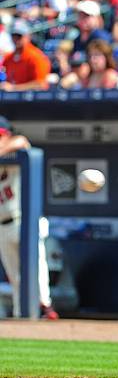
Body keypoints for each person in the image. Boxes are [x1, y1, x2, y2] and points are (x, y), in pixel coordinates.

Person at [0, 115, 58, 320]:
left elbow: (21, 141)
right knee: (15, 276)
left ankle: (45, 306)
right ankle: (20, 315)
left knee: (35, 266)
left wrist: (4, 146)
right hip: (2, 225)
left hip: (24, 219)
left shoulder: (16, 147)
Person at [1, 20, 51, 91]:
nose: (16, 39)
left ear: (28, 36)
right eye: (14, 36)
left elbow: (41, 84)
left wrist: (14, 88)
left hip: (32, 100)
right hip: (11, 100)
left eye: (19, 36)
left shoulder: (36, 56)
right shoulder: (8, 57)